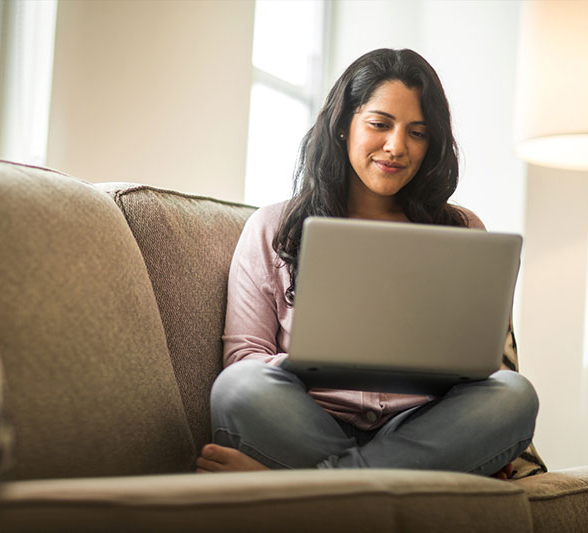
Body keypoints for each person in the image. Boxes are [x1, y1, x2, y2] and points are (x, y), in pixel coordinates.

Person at [195, 48, 539, 479]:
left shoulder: (463, 229)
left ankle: (311, 490)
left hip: (421, 428)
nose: (396, 147)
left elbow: (482, 367)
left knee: (514, 395)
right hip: (309, 421)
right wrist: (309, 361)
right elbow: (244, 357)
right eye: (380, 124)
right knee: (238, 388)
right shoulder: (273, 227)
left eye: (417, 133)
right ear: (344, 127)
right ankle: (374, 488)